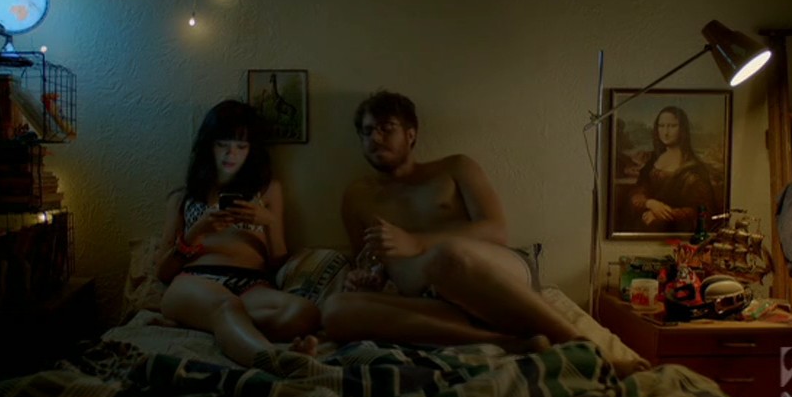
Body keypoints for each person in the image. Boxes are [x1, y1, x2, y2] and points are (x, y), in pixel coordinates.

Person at [322, 91, 648, 375]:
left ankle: (586, 349)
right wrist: (367, 279)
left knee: (446, 255)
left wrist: (416, 242)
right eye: (367, 131)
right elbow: (366, 261)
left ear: (411, 134)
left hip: (490, 279)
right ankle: (509, 343)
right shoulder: (357, 196)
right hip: (428, 300)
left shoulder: (454, 168)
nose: (375, 138)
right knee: (336, 310)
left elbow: (496, 231)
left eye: (385, 128)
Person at [158, 100, 320, 368]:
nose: (230, 154)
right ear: (209, 146)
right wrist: (196, 231)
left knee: (306, 312)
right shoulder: (183, 198)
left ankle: (216, 325)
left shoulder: (268, 191)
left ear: (251, 150)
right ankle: (274, 359)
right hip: (196, 280)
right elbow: (162, 272)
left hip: (251, 285)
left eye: (241, 146)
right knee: (225, 305)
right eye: (222, 144)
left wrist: (268, 222)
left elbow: (277, 262)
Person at [627, 106, 717, 233]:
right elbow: (637, 192)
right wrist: (650, 203)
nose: (665, 132)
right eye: (661, 126)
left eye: (672, 126)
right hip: (646, 231)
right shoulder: (653, 161)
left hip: (679, 234)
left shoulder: (694, 169)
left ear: (682, 129)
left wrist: (664, 214)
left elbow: (704, 211)